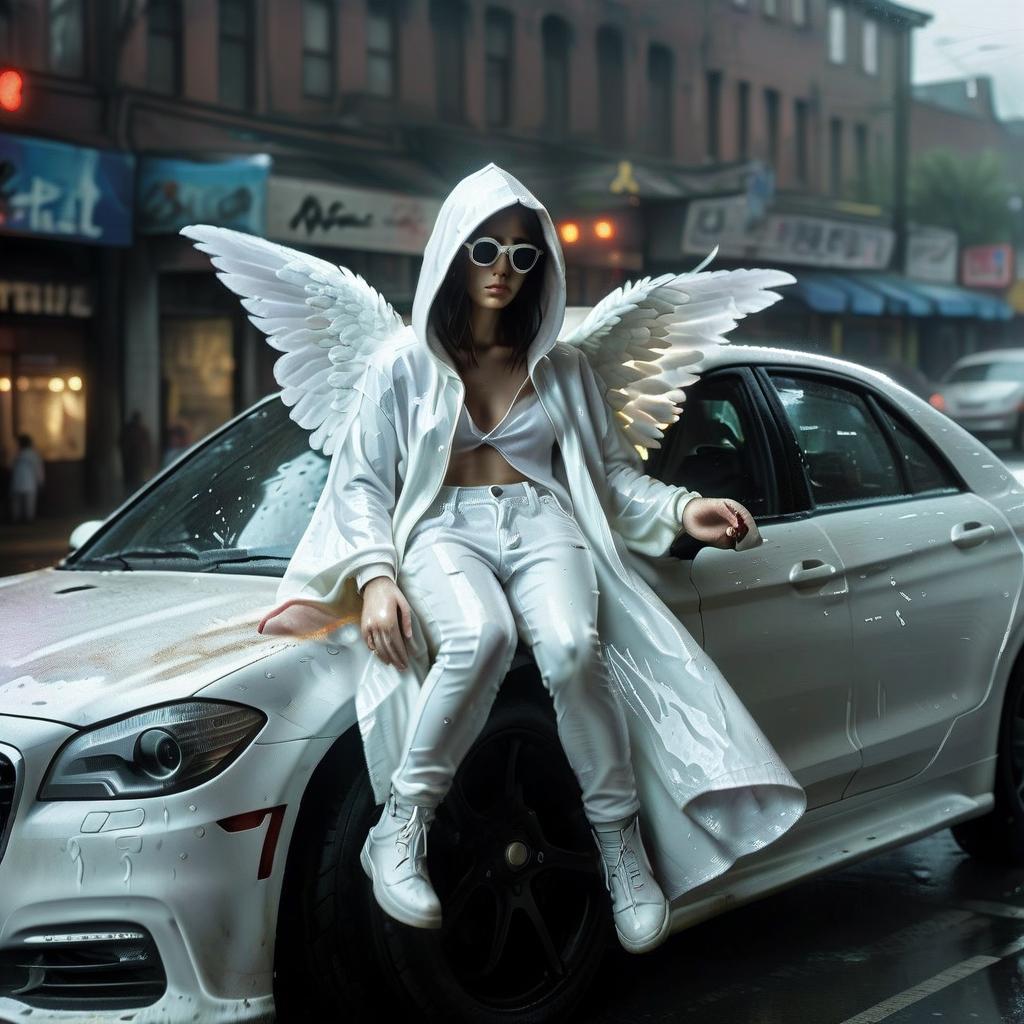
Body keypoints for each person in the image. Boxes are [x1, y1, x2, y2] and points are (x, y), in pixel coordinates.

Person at [183, 163, 806, 957]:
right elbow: (363, 485)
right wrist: (375, 581)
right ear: (451, 251)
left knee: (576, 648)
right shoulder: (401, 365)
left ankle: (621, 848)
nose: (503, 271)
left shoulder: (566, 368)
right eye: (485, 250)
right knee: (479, 638)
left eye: (521, 255)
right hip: (443, 526)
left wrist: (685, 507)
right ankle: (399, 829)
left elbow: (611, 477)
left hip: (546, 522)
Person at [9, 433, 44, 523]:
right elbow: (38, 470)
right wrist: (40, 481)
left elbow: (11, 467)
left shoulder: (18, 455)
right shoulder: (32, 455)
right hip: (29, 483)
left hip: (19, 482)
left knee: (18, 504)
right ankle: (27, 520)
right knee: (28, 504)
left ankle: (19, 519)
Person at [119, 410, 153, 493]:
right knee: (131, 480)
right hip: (131, 459)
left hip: (137, 459)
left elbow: (147, 445)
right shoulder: (129, 430)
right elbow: (122, 442)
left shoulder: (141, 430)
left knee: (136, 480)